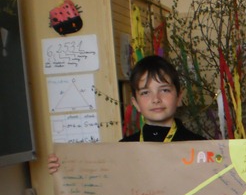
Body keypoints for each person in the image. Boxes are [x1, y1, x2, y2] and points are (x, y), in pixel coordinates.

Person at [48, 55, 204, 173]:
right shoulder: (122, 150)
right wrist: (64, 168)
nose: (156, 99)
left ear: (179, 97)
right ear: (135, 103)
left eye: (164, 90)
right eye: (145, 92)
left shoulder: (201, 148)